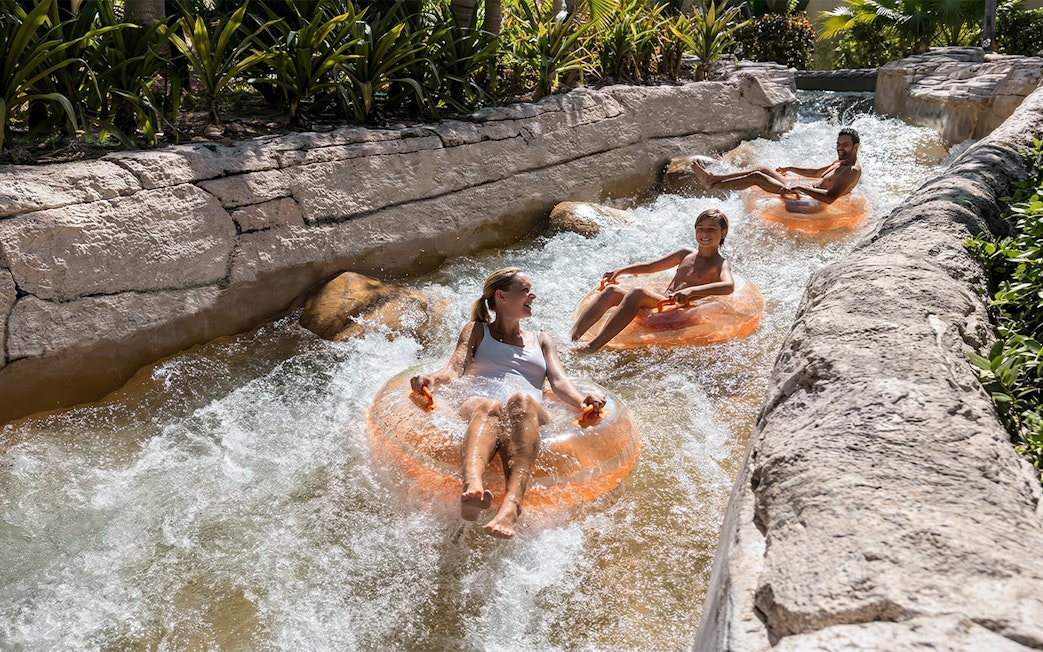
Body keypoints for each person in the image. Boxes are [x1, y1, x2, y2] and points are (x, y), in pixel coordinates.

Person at [410, 267, 606, 539]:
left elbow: (559, 382)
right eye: (525, 290)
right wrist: (430, 378)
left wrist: (583, 399)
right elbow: (454, 369)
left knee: (521, 400)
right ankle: (472, 489)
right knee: (489, 406)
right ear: (501, 297)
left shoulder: (541, 339)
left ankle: (512, 507)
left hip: (527, 410)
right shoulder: (477, 330)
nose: (532, 295)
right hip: (479, 402)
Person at [571, 208, 734, 352]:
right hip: (661, 303)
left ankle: (593, 346)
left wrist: (691, 291)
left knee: (637, 293)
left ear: (723, 233)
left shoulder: (719, 264)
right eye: (700, 229)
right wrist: (621, 270)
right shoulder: (685, 254)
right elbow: (650, 266)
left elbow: (728, 286)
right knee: (612, 291)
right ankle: (573, 337)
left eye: (711, 230)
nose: (705, 234)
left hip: (681, 310)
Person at [688, 127, 862, 205]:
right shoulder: (840, 162)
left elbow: (830, 198)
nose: (840, 148)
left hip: (808, 200)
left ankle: (712, 185)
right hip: (803, 191)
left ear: (856, 147)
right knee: (762, 169)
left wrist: (801, 186)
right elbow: (816, 172)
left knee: (757, 178)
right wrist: (789, 168)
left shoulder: (851, 171)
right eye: (838, 144)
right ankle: (712, 177)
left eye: (845, 145)